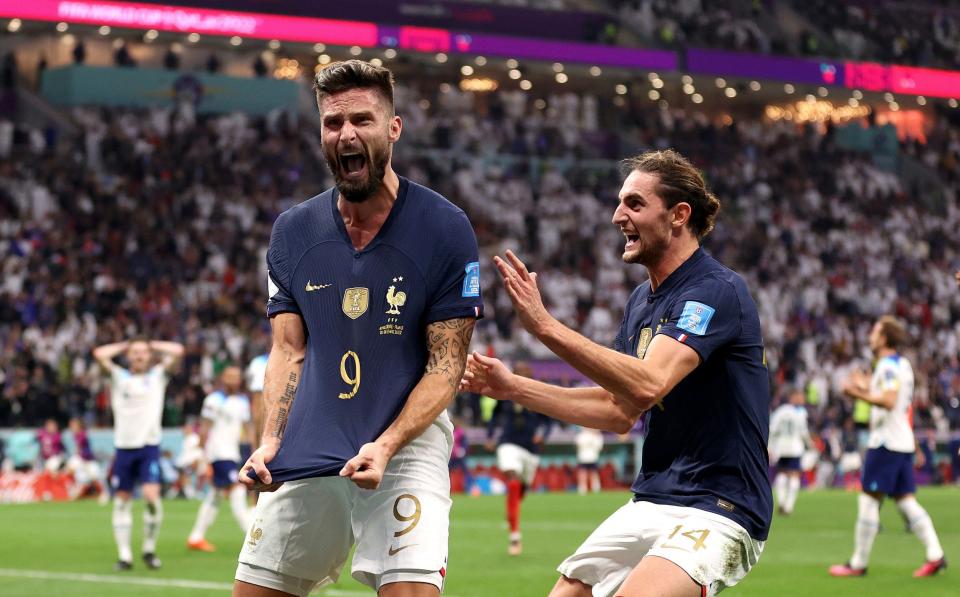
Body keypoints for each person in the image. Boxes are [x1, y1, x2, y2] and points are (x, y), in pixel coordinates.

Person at [461, 149, 772, 597]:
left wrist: (546, 327)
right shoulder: (641, 304)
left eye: (634, 204)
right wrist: (513, 388)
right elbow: (618, 410)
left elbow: (649, 383)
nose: (616, 216)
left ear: (679, 214)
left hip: (722, 505)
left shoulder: (716, 291)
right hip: (655, 497)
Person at [233, 59, 483, 597]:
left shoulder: (445, 229)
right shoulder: (293, 232)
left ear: (393, 129)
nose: (346, 133)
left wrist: (388, 444)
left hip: (406, 440)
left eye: (363, 120)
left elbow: (447, 366)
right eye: (333, 123)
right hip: (312, 435)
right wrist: (270, 441)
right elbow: (288, 352)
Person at [829, 315, 947, 578]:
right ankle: (936, 555)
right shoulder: (900, 364)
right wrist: (865, 385)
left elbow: (889, 400)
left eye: (875, 331)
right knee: (906, 502)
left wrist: (854, 392)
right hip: (901, 441)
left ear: (884, 338)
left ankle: (858, 563)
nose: (870, 335)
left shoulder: (888, 365)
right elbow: (886, 393)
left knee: (868, 501)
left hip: (886, 442)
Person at [93, 338, 184, 571]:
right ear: (128, 355)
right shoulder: (118, 376)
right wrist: (125, 345)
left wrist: (151, 344)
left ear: (150, 354)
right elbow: (99, 353)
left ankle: (149, 550)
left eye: (143, 352)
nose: (139, 356)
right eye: (135, 353)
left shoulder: (158, 376)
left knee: (152, 499)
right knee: (122, 501)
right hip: (123, 447)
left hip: (148, 447)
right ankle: (125, 556)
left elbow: (178, 350)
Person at [485, 363, 552, 556]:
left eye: (526, 374)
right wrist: (490, 436)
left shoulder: (536, 395)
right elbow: (493, 417)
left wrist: (543, 436)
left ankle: (511, 513)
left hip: (530, 450)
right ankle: (515, 537)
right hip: (508, 444)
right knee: (512, 480)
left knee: (521, 490)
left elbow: (548, 421)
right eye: (519, 374)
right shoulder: (504, 395)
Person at [188, 365, 254, 551]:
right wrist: (201, 454)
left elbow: (247, 427)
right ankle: (254, 538)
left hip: (232, 453)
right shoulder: (214, 400)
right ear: (222, 378)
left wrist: (253, 449)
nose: (233, 380)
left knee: (215, 495)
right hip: (219, 453)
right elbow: (204, 427)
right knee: (237, 490)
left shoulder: (242, 401)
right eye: (229, 376)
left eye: (236, 376)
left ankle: (196, 537)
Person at [768, 388, 814, 515]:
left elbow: (772, 430)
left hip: (781, 447)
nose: (802, 400)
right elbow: (803, 432)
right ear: (793, 397)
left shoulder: (780, 411)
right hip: (795, 447)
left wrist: (770, 446)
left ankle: (782, 502)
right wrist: (810, 445)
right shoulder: (799, 412)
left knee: (782, 474)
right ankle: (788, 506)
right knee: (794, 475)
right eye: (800, 397)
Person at [66, 417, 104, 499]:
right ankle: (74, 491)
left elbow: (80, 447)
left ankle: (103, 494)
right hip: (81, 459)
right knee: (71, 469)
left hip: (88, 460)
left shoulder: (82, 434)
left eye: (73, 425)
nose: (71, 427)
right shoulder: (76, 435)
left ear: (79, 426)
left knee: (95, 478)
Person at [575, 426, 604, 495]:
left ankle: (596, 488)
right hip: (583, 458)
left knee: (594, 473)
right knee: (583, 474)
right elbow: (578, 444)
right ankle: (582, 489)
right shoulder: (581, 435)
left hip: (593, 458)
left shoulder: (597, 436)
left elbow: (599, 447)